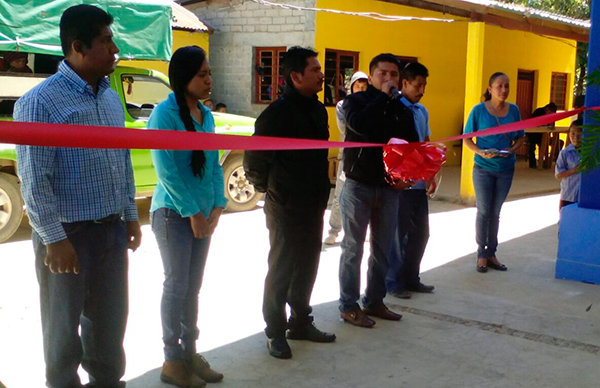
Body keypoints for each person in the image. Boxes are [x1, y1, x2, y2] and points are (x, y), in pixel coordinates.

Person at [14, 5, 142, 388]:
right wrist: (54, 239)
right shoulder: (41, 103)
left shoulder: (108, 97)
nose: (115, 48)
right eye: (105, 41)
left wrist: (130, 215)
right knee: (62, 332)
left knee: (109, 326)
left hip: (110, 231)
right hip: (68, 236)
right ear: (78, 47)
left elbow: (121, 160)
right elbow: (35, 180)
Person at [244, 46, 335, 359]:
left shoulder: (317, 109)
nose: (322, 74)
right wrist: (270, 190)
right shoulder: (277, 114)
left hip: (312, 203)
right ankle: (275, 331)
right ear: (296, 76)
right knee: (282, 268)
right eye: (315, 70)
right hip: (285, 205)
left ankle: (300, 322)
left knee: (308, 265)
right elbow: (254, 160)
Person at [148, 46, 226, 388]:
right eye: (202, 74)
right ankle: (171, 359)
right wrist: (194, 213)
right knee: (176, 287)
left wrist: (218, 205)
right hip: (173, 215)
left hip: (203, 215)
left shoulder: (205, 117)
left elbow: (212, 165)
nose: (210, 80)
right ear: (184, 78)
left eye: (209, 73)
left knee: (192, 289)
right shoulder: (164, 115)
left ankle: (190, 351)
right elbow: (167, 171)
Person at [338, 53, 419, 328]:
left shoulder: (403, 109)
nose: (389, 79)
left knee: (383, 249)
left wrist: (407, 177)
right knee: (353, 249)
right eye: (383, 74)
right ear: (371, 76)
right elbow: (360, 126)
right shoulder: (355, 102)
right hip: (358, 186)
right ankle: (348, 306)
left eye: (394, 74)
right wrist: (382, 97)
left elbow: (412, 147)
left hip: (389, 190)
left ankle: (374, 300)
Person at [464, 72, 525, 273]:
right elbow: (467, 139)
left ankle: (492, 252)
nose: (504, 90)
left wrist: (511, 151)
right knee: (483, 211)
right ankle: (482, 253)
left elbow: (519, 138)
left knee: (495, 212)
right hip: (483, 168)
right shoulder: (478, 111)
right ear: (490, 89)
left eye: (507, 86)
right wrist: (480, 151)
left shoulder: (514, 110)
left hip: (506, 169)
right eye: (499, 86)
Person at [386, 62, 436, 299]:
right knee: (398, 234)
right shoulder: (393, 109)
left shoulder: (422, 111)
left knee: (421, 233)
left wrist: (431, 174)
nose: (422, 90)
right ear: (404, 83)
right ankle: (393, 281)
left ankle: (411, 277)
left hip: (418, 183)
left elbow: (425, 143)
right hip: (400, 184)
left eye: (425, 85)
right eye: (418, 85)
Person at [324, 71, 368, 245]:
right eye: (358, 86)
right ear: (351, 88)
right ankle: (334, 231)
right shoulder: (343, 105)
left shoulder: (371, 105)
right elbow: (344, 129)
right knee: (340, 195)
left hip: (366, 157)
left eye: (364, 87)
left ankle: (362, 230)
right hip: (347, 156)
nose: (361, 89)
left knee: (364, 195)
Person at [555, 119, 583, 211]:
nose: (576, 137)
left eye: (580, 134)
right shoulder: (565, 153)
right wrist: (575, 170)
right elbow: (558, 174)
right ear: (569, 134)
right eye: (573, 134)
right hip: (568, 194)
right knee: (565, 219)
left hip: (583, 195)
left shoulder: (590, 153)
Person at [528, 102, 557, 168]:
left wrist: (551, 125)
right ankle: (532, 164)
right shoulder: (538, 112)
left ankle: (546, 162)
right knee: (532, 147)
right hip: (533, 133)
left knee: (549, 144)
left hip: (543, 134)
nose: (550, 115)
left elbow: (552, 125)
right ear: (547, 109)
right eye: (549, 113)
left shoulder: (551, 115)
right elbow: (533, 122)